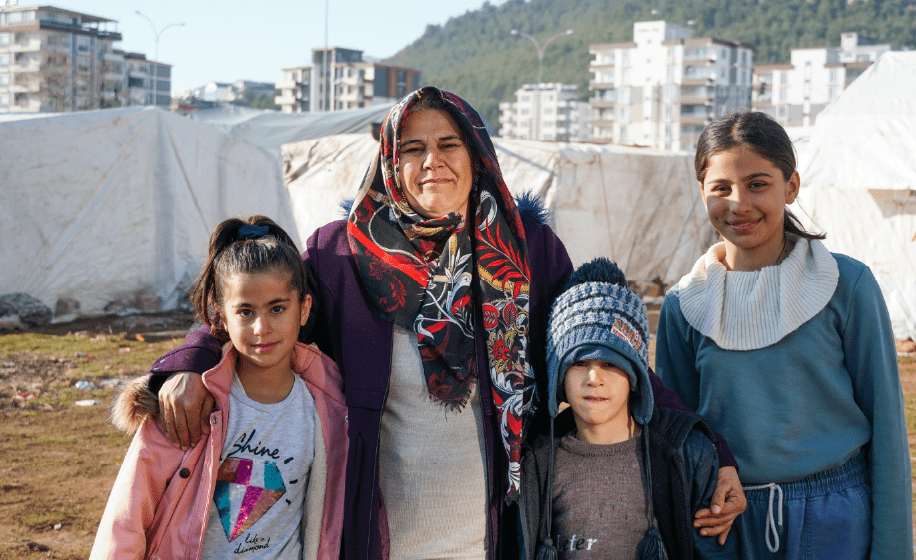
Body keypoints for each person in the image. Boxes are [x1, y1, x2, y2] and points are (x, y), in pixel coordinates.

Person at [146, 87, 745, 559]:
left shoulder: (528, 253)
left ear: (476, 152)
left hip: (502, 526)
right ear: (390, 159)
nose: (431, 161)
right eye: (412, 148)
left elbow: (607, 349)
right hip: (378, 528)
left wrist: (712, 448)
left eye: (448, 144)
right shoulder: (341, 256)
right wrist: (190, 368)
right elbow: (263, 311)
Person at [655, 112, 913, 559]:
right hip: (723, 525)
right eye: (721, 188)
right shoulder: (684, 305)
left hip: (833, 523)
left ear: (790, 187)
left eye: (758, 184)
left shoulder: (845, 286)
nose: (739, 204)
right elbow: (677, 435)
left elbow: (888, 430)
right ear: (702, 192)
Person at [91, 216, 349, 559]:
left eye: (277, 308)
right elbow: (127, 515)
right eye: (245, 311)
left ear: (303, 310)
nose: (262, 327)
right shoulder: (185, 404)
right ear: (221, 317)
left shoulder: (329, 408)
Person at [520, 258, 736, 560]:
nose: (593, 379)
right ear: (559, 375)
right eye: (579, 363)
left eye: (610, 363)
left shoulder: (685, 454)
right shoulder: (538, 463)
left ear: (635, 376)